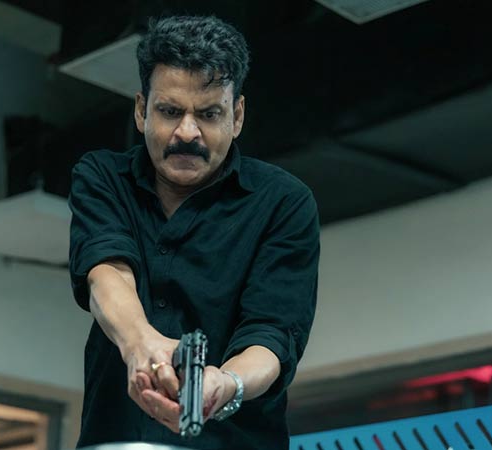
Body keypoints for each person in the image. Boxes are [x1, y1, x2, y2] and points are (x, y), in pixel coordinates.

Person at [68, 15, 320, 450]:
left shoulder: (284, 202)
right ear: (141, 110)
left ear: (236, 116)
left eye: (208, 114)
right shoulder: (103, 177)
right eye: (170, 112)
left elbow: (272, 335)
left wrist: (227, 383)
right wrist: (141, 344)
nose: (187, 133)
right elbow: (106, 272)